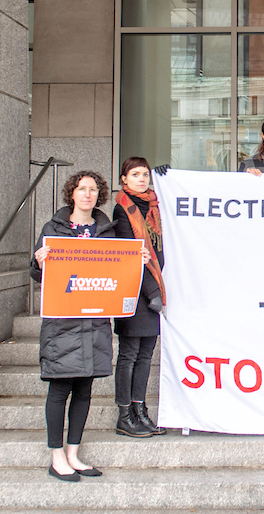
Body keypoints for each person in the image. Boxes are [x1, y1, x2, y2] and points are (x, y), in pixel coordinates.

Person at [30, 170, 115, 481]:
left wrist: (137, 259)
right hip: (62, 321)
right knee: (60, 387)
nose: (87, 194)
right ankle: (56, 457)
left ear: (99, 195)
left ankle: (73, 453)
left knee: (84, 388)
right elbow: (38, 275)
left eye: (93, 189)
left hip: (94, 321)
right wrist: (40, 262)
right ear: (72, 194)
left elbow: (117, 273)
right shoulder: (53, 229)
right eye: (82, 189)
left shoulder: (107, 231)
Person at [110, 157, 167, 439]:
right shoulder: (122, 210)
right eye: (135, 174)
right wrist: (152, 292)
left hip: (155, 288)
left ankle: (140, 410)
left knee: (145, 355)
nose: (142, 179)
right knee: (129, 354)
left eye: (145, 174)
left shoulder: (156, 206)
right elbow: (129, 256)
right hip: (135, 292)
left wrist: (169, 177)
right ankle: (124, 415)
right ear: (124, 179)